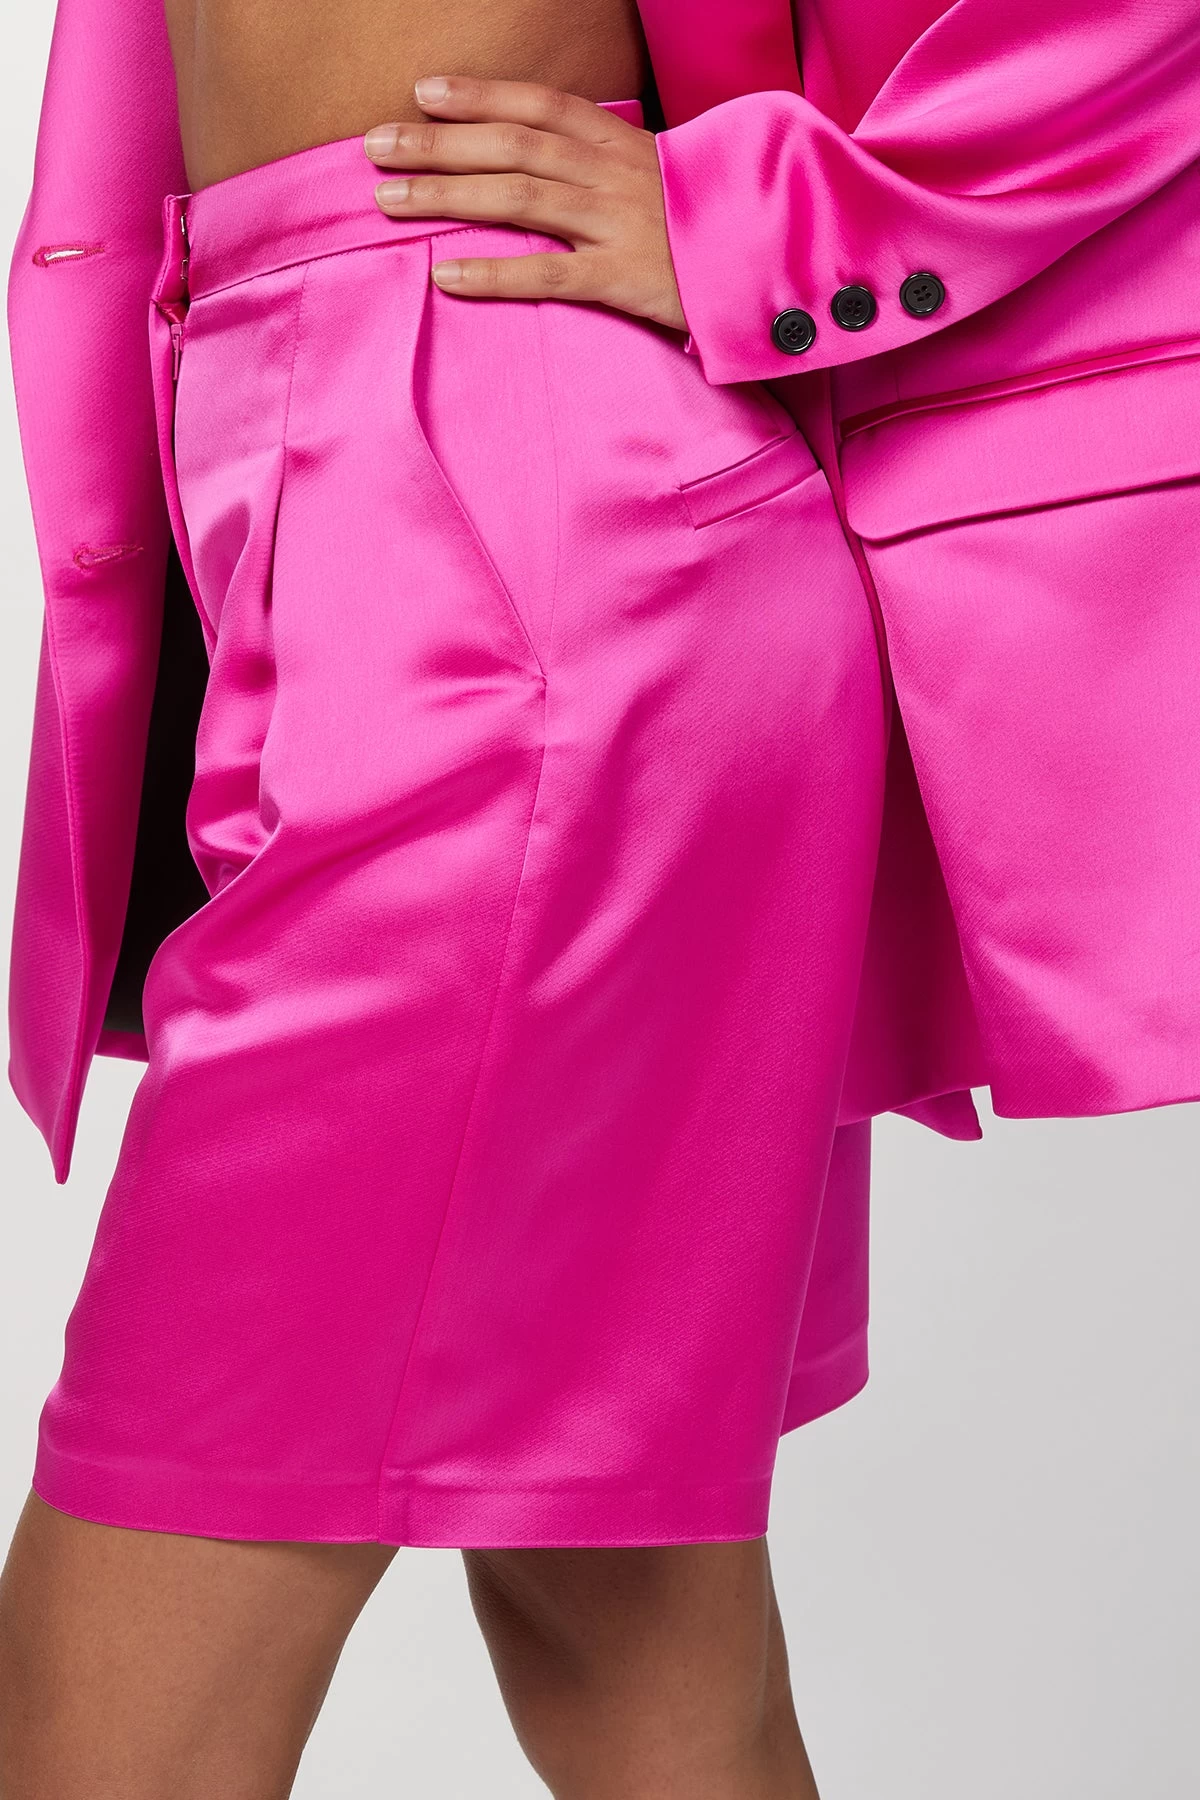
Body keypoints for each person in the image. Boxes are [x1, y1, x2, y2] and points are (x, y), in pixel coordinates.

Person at [2, 1, 1198, 1795]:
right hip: (350, 467)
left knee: (103, 1712)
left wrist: (789, 227)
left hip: (527, 518)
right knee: (627, 1644)